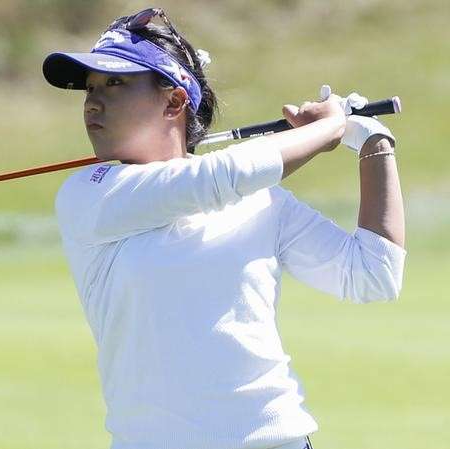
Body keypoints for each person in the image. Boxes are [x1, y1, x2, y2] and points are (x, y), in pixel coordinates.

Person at [42, 8, 406, 449]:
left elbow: (372, 275)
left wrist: (371, 141)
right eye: (90, 88)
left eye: (114, 83)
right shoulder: (91, 195)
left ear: (174, 101)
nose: (93, 102)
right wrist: (330, 127)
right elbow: (221, 178)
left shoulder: (262, 200)